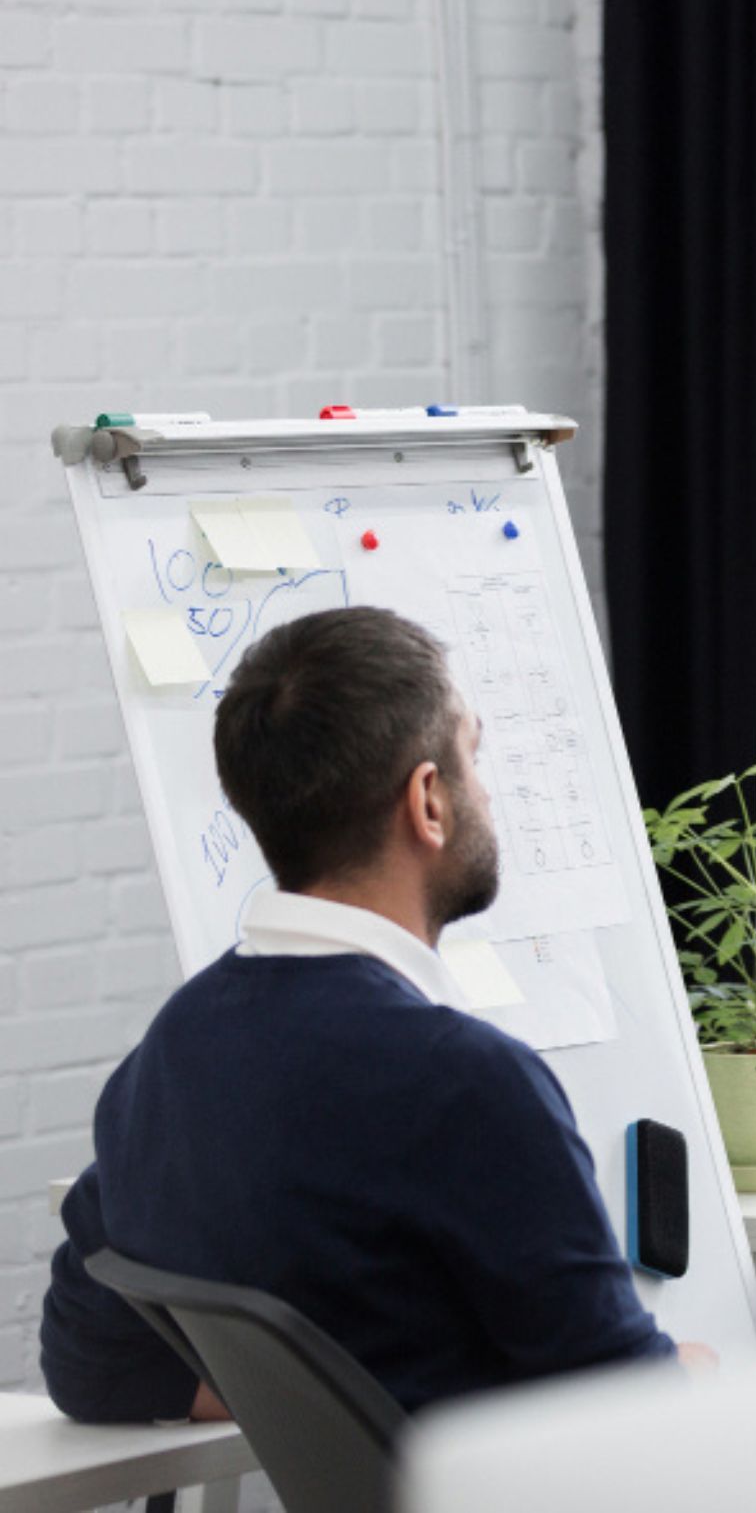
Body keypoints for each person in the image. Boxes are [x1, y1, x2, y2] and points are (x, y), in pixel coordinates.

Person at [42, 607, 702, 1422]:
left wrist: (328, 1400)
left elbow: (88, 1369)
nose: (487, 793)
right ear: (428, 800)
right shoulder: (468, 1083)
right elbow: (628, 1411)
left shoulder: (169, 1056)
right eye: (473, 756)